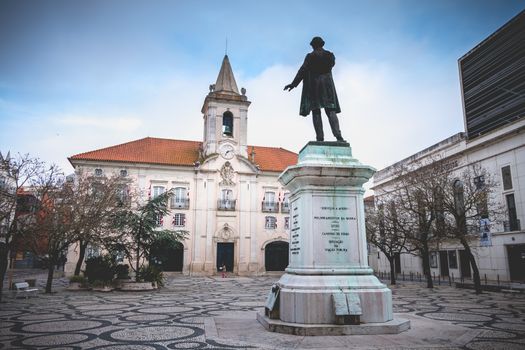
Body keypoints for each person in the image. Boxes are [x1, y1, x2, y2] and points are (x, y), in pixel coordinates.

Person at [284, 36, 345, 142]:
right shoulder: (330, 56)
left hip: (314, 87)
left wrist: (293, 84)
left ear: (313, 46)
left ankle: (320, 138)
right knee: (331, 111)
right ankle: (338, 136)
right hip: (327, 87)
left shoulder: (310, 56)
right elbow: (331, 65)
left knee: (316, 111)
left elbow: (302, 70)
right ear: (322, 44)